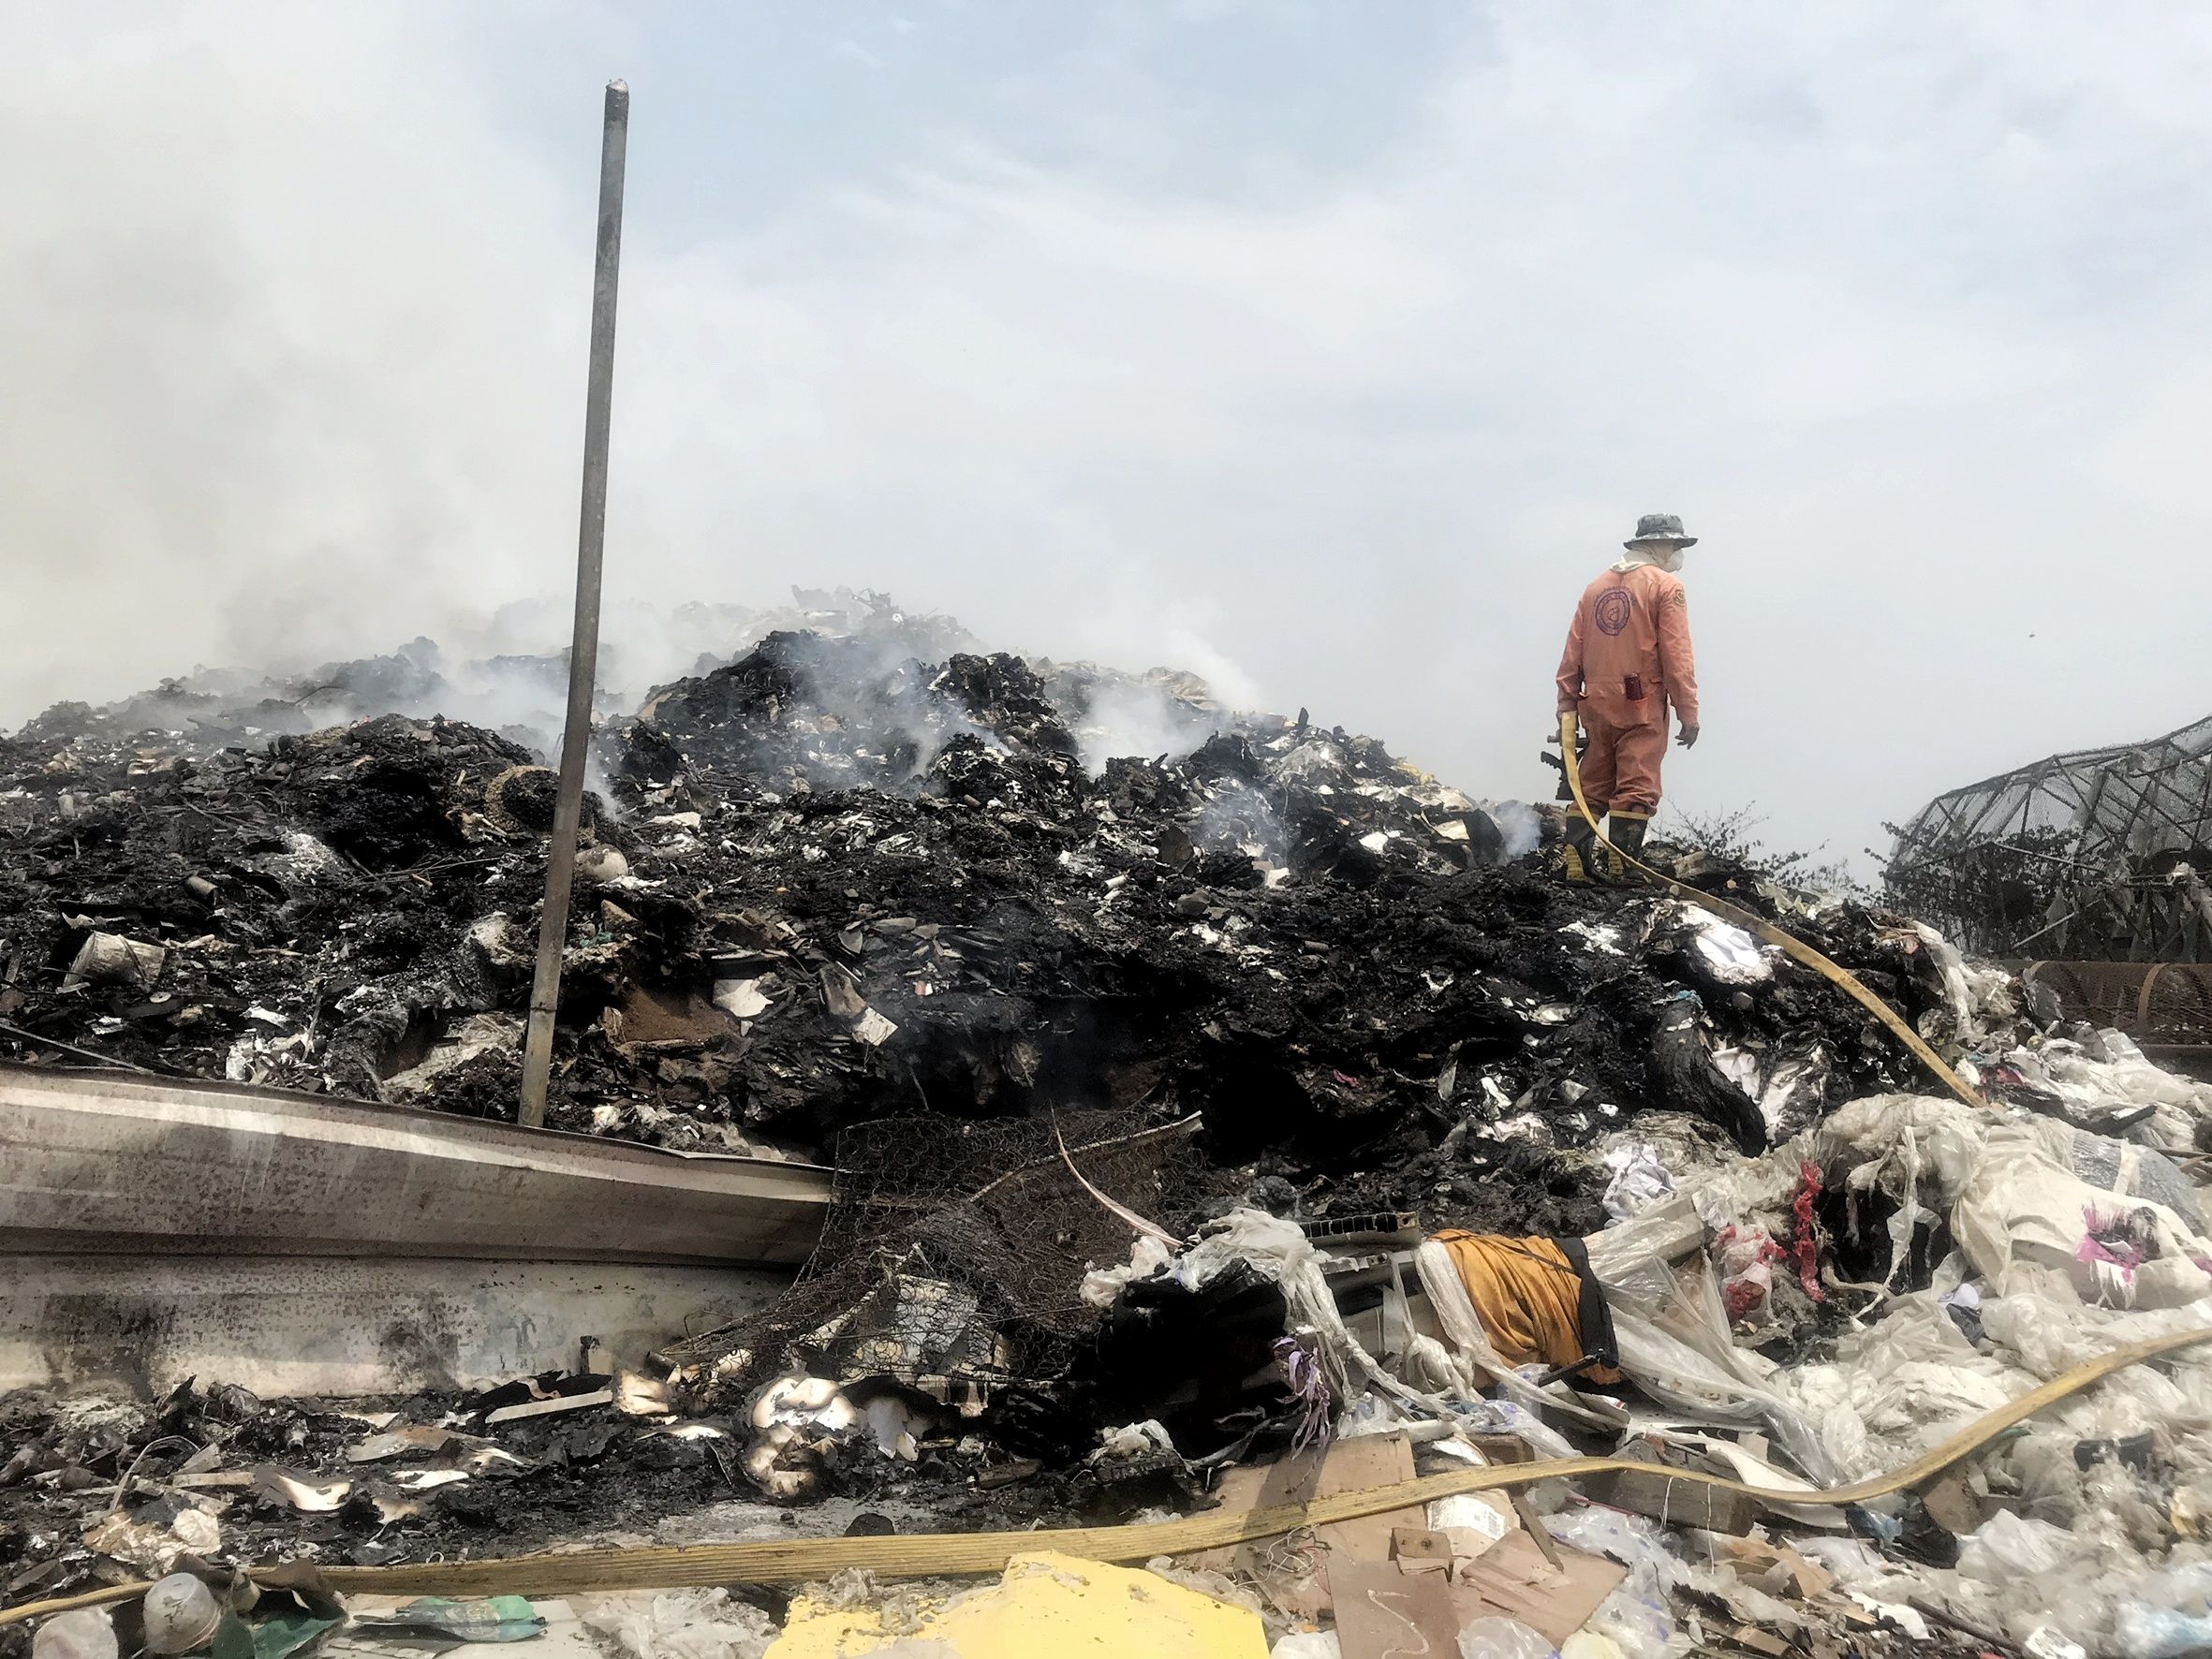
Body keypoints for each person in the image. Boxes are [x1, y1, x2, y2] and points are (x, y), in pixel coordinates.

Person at [1554, 513, 1701, 881]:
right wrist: (1688, 711)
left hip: (1595, 702)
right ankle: (1623, 864)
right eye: (1676, 545)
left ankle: (1577, 862)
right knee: (1638, 782)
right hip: (1641, 702)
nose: (1678, 552)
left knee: (1592, 782)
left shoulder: (1594, 588)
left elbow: (1572, 652)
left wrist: (1566, 704)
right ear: (1660, 544)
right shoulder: (1666, 587)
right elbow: (1677, 655)